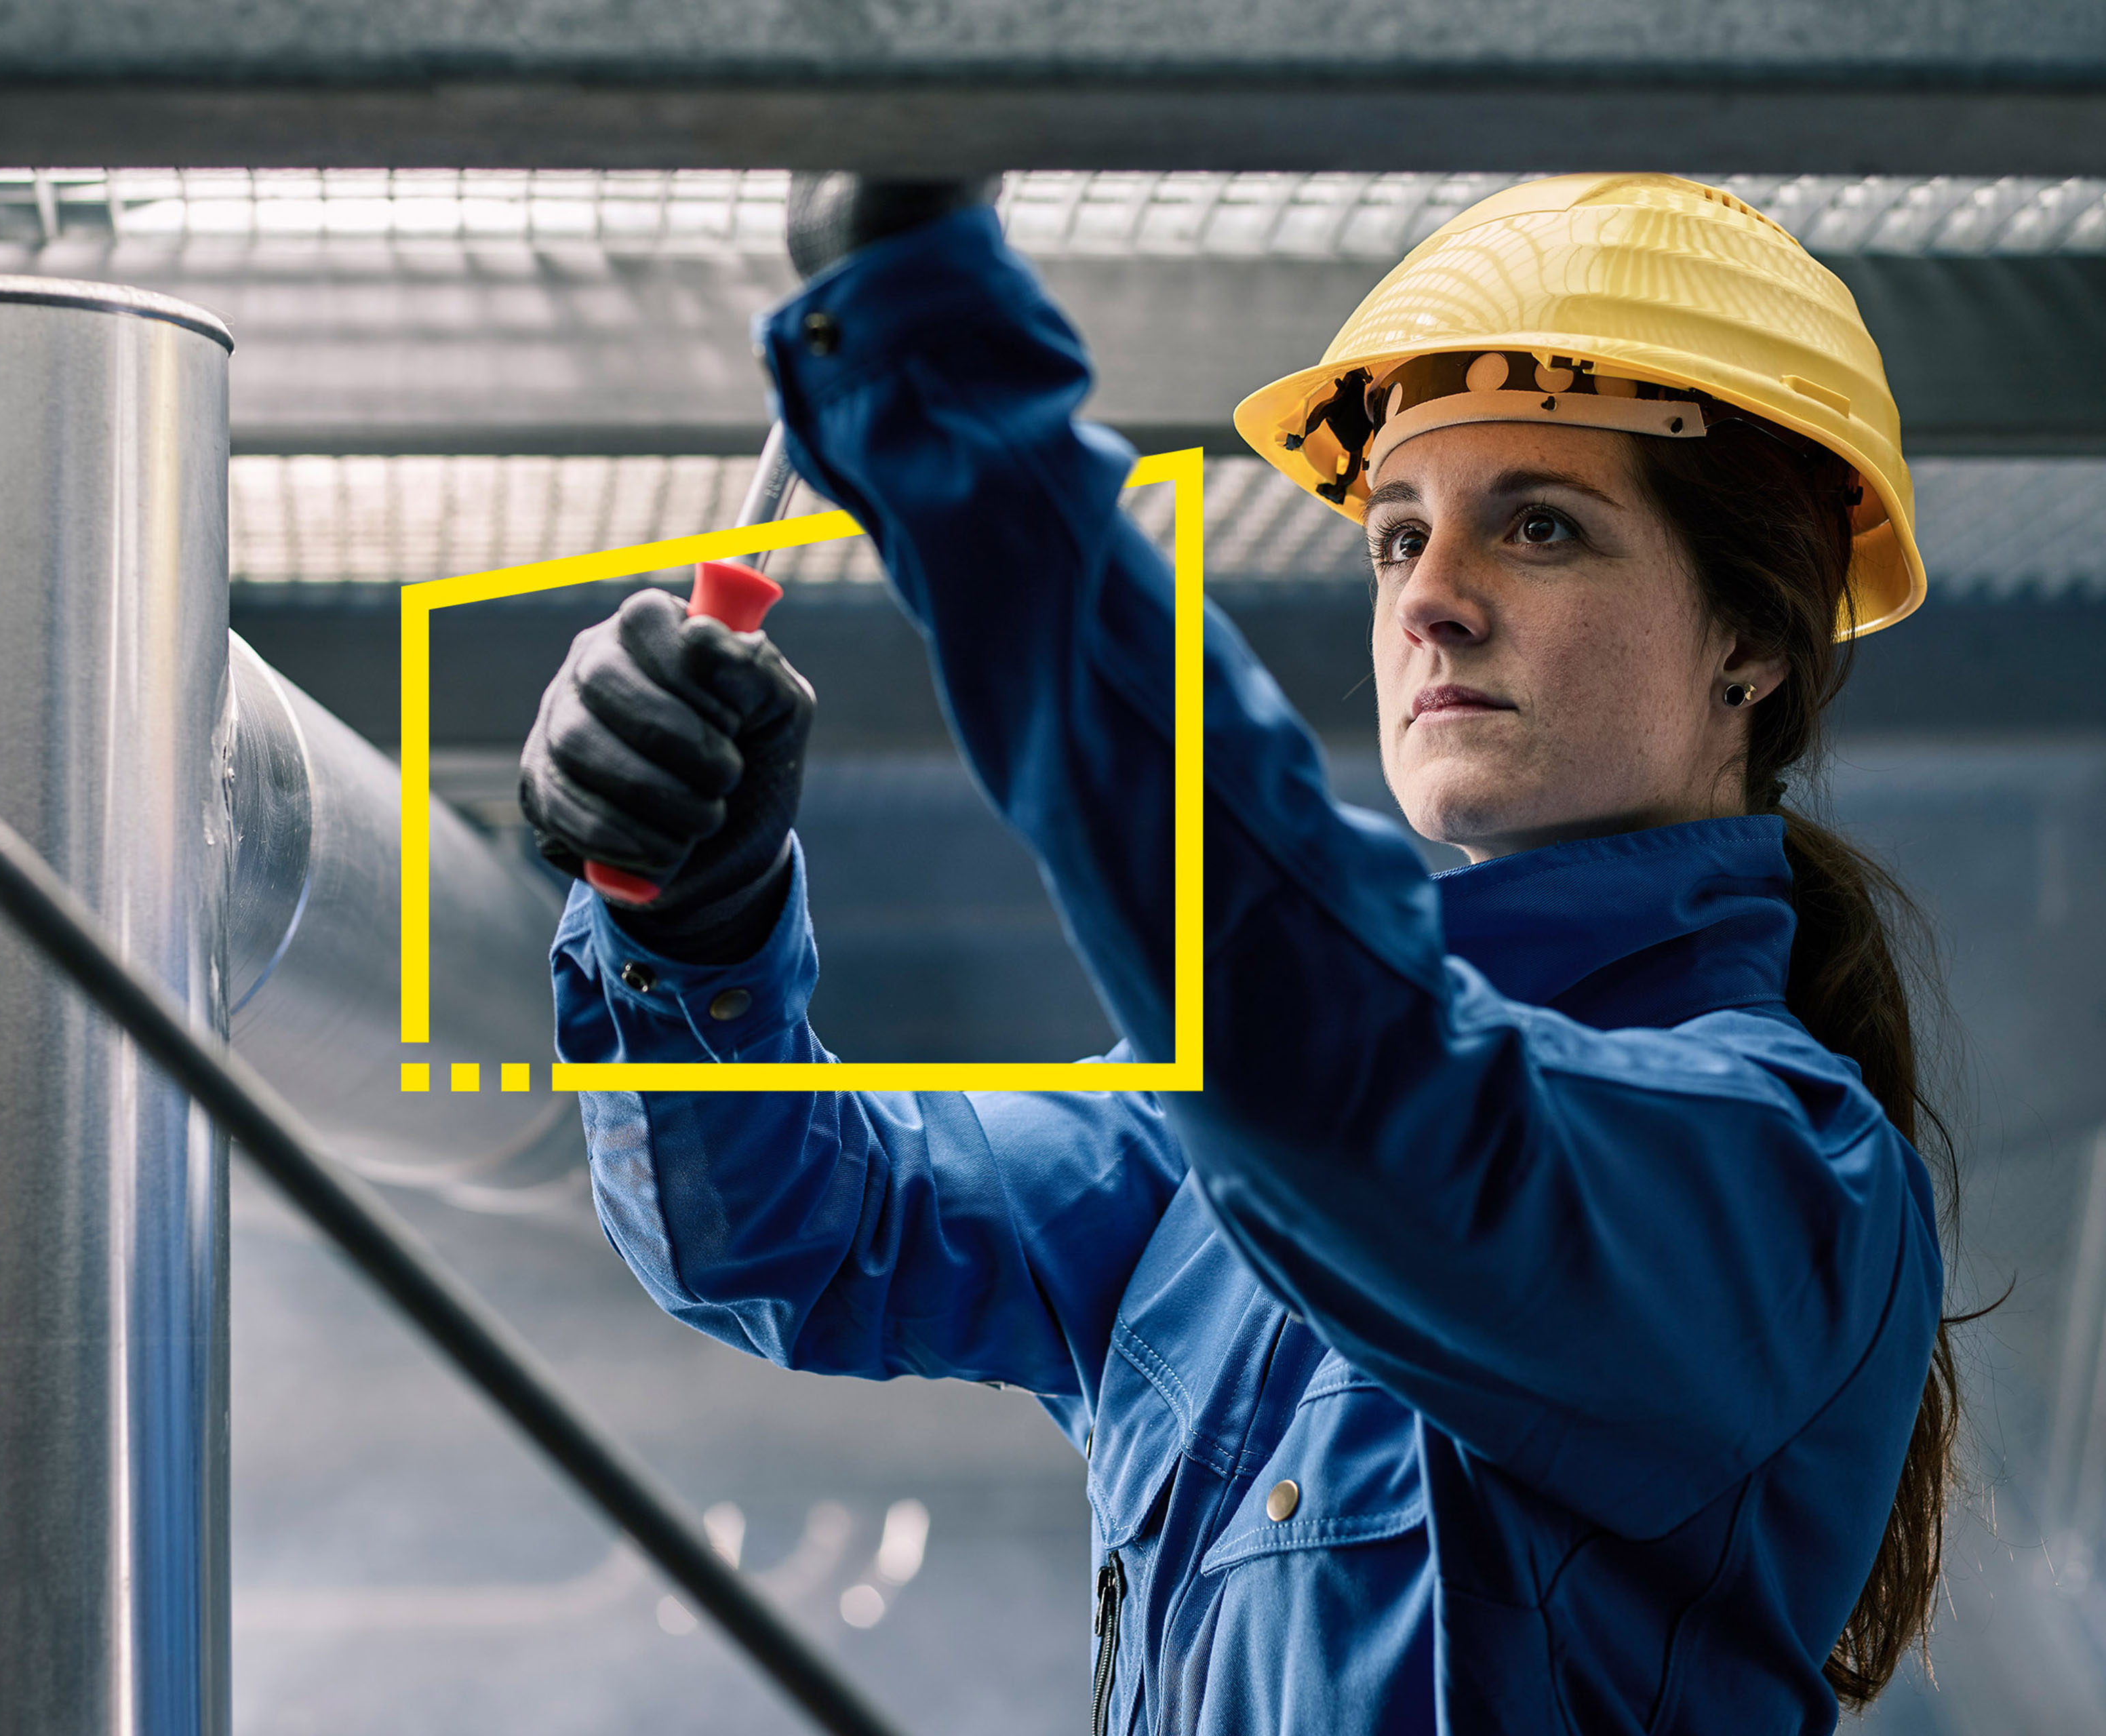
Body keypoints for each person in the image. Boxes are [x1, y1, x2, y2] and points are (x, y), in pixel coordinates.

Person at [518, 173, 1961, 1733]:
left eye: (1541, 527)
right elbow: (799, 1231)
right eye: (1398, 536)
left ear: (1754, 635)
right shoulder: (1194, 1143)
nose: (1435, 602)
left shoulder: (1781, 1175)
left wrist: (935, 371)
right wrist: (692, 915)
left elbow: (1349, 1072)